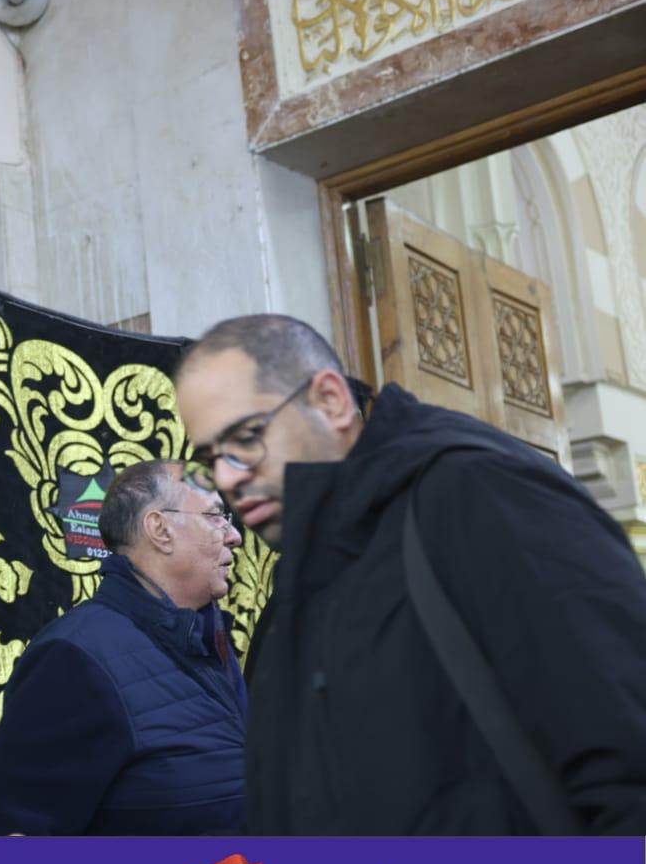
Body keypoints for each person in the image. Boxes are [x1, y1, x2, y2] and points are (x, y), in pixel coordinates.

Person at [173, 313, 646, 834]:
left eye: (246, 438)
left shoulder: (482, 493)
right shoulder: (303, 580)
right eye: (210, 459)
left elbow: (625, 762)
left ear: (330, 401)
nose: (227, 478)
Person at [0, 459, 247, 836]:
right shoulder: (73, 658)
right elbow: (14, 835)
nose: (234, 536)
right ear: (160, 529)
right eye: (216, 516)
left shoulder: (209, 641)